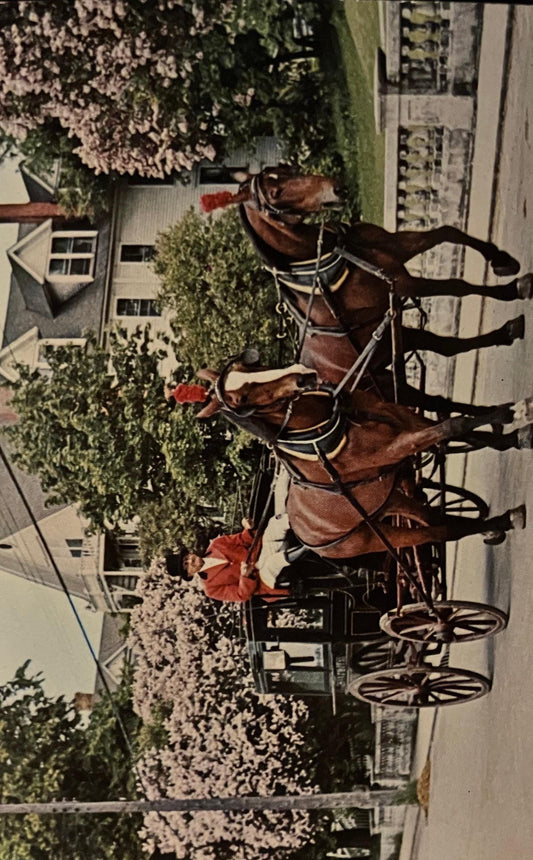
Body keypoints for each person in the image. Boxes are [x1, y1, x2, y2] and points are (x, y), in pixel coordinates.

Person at [165, 514, 306, 603]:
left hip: (261, 552)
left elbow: (244, 539)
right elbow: (241, 595)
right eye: (186, 565)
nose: (190, 561)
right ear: (190, 574)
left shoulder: (216, 544)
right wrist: (245, 576)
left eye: (187, 557)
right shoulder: (211, 588)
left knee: (275, 523)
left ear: (190, 553)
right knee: (273, 562)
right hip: (261, 579)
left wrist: (247, 527)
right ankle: (308, 548)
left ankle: (308, 519)